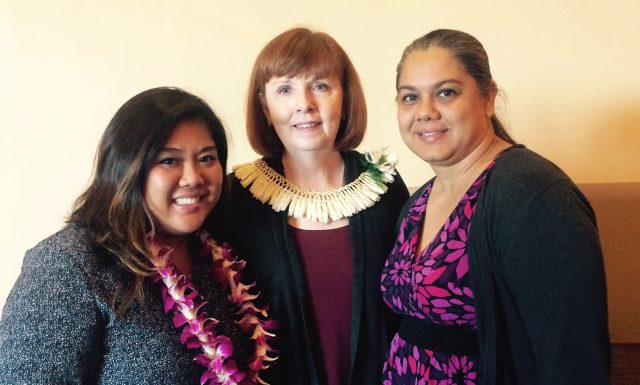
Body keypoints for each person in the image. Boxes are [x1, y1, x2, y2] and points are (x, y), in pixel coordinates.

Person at [380, 29, 610, 385]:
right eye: (410, 97)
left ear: (488, 98)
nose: (425, 112)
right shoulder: (417, 203)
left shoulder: (533, 195)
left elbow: (572, 357)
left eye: (446, 92)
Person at [0, 87, 274, 384]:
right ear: (126, 168)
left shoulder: (218, 255)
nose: (194, 177)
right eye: (169, 160)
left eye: (207, 158)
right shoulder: (68, 264)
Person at [228, 27, 409, 385]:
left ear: (344, 98)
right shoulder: (237, 198)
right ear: (265, 107)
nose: (304, 103)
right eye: (285, 89)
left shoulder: (385, 188)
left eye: (321, 86)